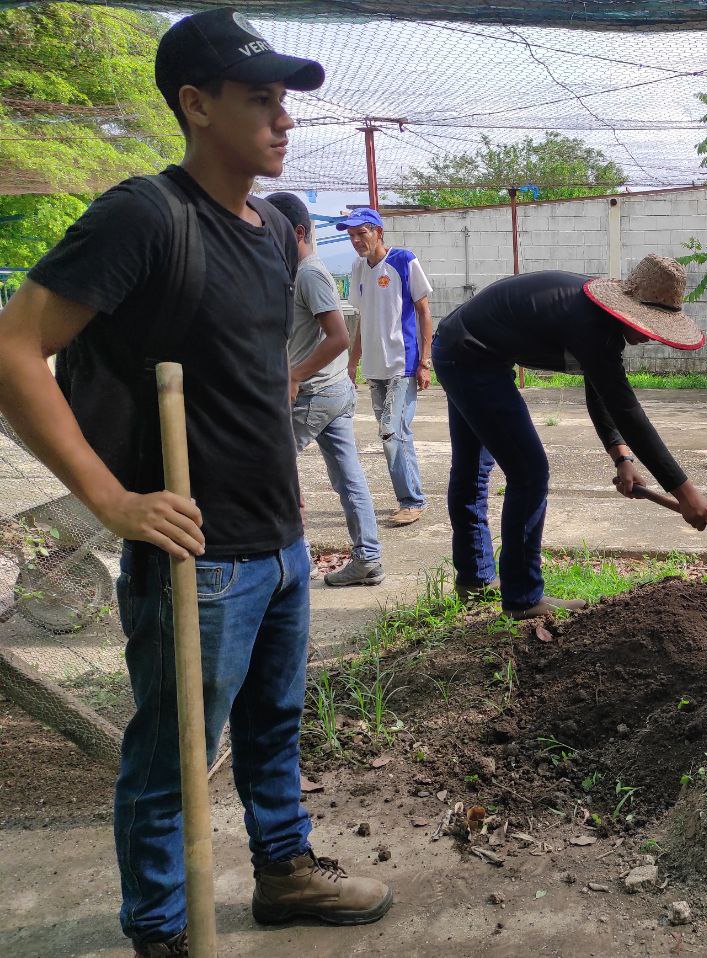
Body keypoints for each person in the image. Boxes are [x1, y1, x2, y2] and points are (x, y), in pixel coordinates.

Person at [0, 10, 391, 955]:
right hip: (195, 553)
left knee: (273, 727)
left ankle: (286, 872)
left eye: (285, 102)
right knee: (174, 755)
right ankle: (164, 928)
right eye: (259, 99)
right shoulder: (144, 216)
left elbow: (253, 380)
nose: (283, 120)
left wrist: (292, 514)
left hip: (278, 537)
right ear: (195, 104)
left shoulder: (266, 234)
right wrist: (110, 499)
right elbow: (14, 351)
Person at [431, 254, 707, 619]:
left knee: (473, 469)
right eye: (649, 325)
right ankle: (522, 598)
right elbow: (627, 411)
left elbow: (600, 391)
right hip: (470, 357)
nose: (648, 336)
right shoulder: (590, 323)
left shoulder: (600, 323)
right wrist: (685, 492)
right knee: (529, 472)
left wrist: (622, 458)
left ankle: (475, 580)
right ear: (631, 309)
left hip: (464, 348)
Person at [266, 192, 385, 587]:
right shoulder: (295, 272)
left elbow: (338, 337)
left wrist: (296, 375)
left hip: (316, 393)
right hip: (333, 390)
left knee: (273, 466)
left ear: (297, 232)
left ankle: (292, 567)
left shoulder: (310, 273)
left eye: (272, 232)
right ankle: (367, 558)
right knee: (347, 477)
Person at [338, 207, 432, 527]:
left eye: (361, 233)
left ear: (378, 231)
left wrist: (425, 361)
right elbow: (363, 318)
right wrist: (353, 362)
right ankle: (409, 498)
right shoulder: (358, 269)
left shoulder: (404, 261)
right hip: (375, 368)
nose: (356, 240)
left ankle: (412, 500)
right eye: (351, 236)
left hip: (402, 364)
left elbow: (423, 311)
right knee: (389, 433)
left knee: (394, 431)